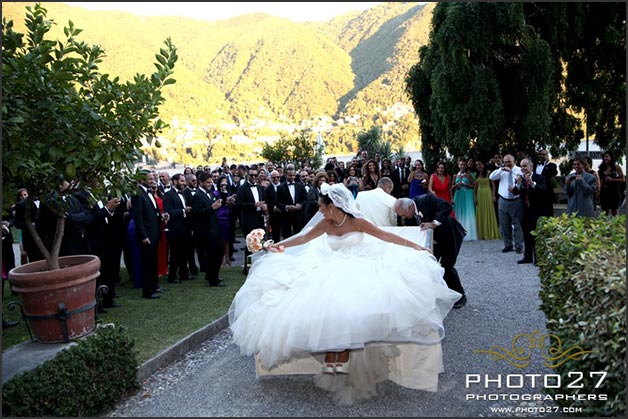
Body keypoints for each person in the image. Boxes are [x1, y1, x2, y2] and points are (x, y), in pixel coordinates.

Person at [229, 183, 461, 405]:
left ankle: (341, 358)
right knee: (326, 310)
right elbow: (302, 238)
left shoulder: (357, 221)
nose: (319, 210)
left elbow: (386, 236)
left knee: (351, 310)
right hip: (331, 267)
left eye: (321, 206)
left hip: (358, 267)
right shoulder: (326, 224)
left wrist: (415, 246)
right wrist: (278, 245)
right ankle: (334, 360)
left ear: (333, 206)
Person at [394, 195, 467, 309]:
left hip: (449, 235)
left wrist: (433, 224)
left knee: (447, 266)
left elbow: (447, 206)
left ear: (409, 208)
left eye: (403, 215)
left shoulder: (427, 199)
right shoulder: (408, 216)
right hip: (433, 241)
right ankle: (433, 294)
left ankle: (460, 296)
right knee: (429, 265)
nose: (403, 218)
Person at [511, 159, 545, 264]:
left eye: (525, 166)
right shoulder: (519, 178)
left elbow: (543, 191)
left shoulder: (539, 178)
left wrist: (532, 183)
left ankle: (537, 258)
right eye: (521, 166)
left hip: (535, 210)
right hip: (523, 210)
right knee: (526, 234)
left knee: (535, 234)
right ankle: (527, 256)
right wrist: (518, 184)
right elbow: (515, 192)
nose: (523, 168)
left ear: (531, 166)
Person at [489, 154, 524, 253]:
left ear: (514, 161)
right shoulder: (502, 170)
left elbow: (521, 182)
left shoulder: (519, 170)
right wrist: (501, 169)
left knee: (517, 224)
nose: (507, 163)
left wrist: (511, 172)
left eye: (509, 161)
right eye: (505, 162)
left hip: (515, 200)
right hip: (503, 200)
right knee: (504, 224)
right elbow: (491, 177)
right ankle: (508, 244)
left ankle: (519, 246)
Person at [452, 158, 477, 241]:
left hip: (466, 194)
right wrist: (456, 185)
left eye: (463, 165)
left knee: (467, 213)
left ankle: (468, 233)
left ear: (466, 166)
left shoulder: (468, 175)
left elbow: (474, 185)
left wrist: (466, 185)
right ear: (458, 165)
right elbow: (451, 187)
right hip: (458, 194)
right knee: (458, 212)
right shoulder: (455, 176)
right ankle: (457, 232)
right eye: (461, 165)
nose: (462, 166)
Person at [598, 151, 625, 216]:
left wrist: (612, 179)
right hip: (604, 191)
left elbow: (623, 179)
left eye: (607, 157)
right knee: (604, 211)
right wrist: (598, 192)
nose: (605, 158)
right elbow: (600, 181)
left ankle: (617, 224)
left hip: (614, 191)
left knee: (614, 210)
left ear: (611, 157)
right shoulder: (602, 168)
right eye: (604, 157)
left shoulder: (616, 167)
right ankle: (604, 224)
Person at [534, 149, 558, 216]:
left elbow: (554, 173)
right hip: (536, 191)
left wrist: (546, 163)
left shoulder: (551, 165)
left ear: (547, 155)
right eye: (540, 154)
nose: (541, 156)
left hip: (546, 192)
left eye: (543, 154)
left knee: (548, 212)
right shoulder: (535, 165)